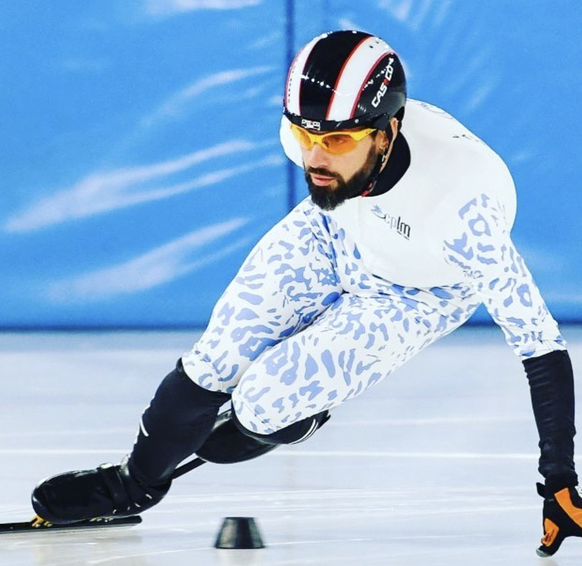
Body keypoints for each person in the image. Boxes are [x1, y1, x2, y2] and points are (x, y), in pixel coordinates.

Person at [32, 30, 580, 557]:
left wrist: (558, 479)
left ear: (386, 133)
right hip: (333, 232)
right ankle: (135, 484)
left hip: (415, 295)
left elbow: (540, 346)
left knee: (262, 404)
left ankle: (286, 416)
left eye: (337, 140)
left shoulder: (464, 205)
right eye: (303, 135)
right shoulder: (320, 147)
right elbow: (323, 157)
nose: (315, 158)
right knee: (216, 359)